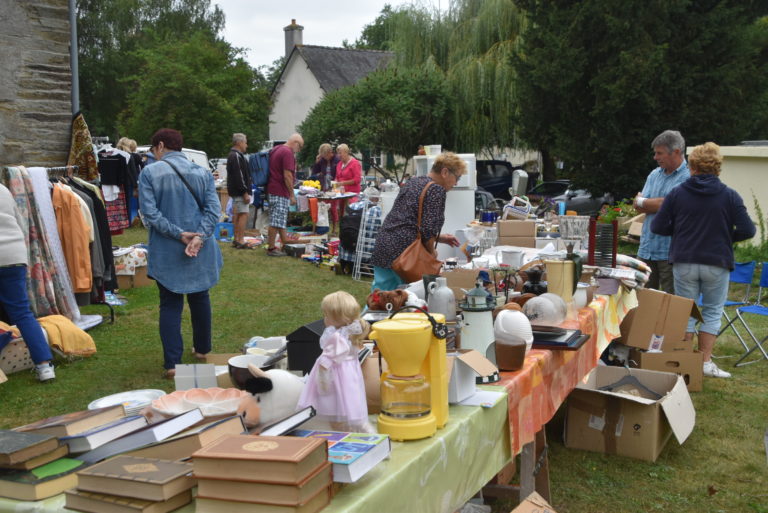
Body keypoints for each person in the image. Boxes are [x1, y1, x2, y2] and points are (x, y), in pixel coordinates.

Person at [651, 142, 755, 379]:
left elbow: (658, 226)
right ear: (718, 167)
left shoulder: (677, 193)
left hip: (685, 260)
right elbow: (748, 230)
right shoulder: (730, 195)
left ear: (692, 167)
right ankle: (705, 362)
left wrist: (681, 234)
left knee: (686, 311)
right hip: (717, 261)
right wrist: (726, 237)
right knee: (712, 311)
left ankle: (683, 360)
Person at [138, 128, 223, 378]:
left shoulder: (149, 172)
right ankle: (203, 349)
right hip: (200, 248)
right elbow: (213, 211)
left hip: (168, 249)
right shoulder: (203, 172)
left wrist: (180, 234)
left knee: (170, 303)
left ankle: (173, 364)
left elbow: (150, 214)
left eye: (153, 150)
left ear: (160, 146)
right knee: (200, 297)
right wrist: (199, 237)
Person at [370, 152, 465, 291]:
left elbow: (407, 220)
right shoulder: (436, 190)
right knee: (405, 297)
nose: (456, 183)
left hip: (384, 245)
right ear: (445, 172)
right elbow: (427, 230)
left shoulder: (414, 182)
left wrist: (440, 238)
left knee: (380, 297)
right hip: (404, 255)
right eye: (457, 177)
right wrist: (432, 253)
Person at [0, 184, 56, 382]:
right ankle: (44, 366)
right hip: (14, 254)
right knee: (22, 313)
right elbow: (18, 220)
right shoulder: (4, 190)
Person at [296, 291, 372, 432]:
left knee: (335, 408)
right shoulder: (350, 333)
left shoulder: (336, 338)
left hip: (336, 377)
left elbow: (327, 360)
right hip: (349, 375)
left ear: (337, 318)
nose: (324, 318)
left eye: (326, 315)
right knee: (349, 404)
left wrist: (323, 382)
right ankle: (355, 428)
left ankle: (342, 431)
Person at [633, 130, 690, 293]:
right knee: (640, 297)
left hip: (671, 252)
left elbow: (668, 204)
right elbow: (637, 205)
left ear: (676, 152)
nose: (655, 157)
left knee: (671, 300)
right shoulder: (654, 175)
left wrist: (646, 202)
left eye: (659, 153)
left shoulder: (688, 177)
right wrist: (651, 203)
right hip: (646, 249)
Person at [265, 133, 304, 257]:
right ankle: (271, 248)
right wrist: (292, 194)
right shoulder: (287, 153)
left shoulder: (277, 148)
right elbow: (287, 175)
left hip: (272, 188)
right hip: (280, 190)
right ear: (296, 143)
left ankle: (284, 242)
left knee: (279, 219)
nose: (299, 150)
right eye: (300, 147)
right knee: (276, 221)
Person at [226, 133, 252, 249]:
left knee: (237, 214)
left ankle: (236, 239)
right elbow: (239, 175)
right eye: (245, 142)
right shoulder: (236, 156)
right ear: (239, 142)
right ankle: (240, 239)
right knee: (243, 214)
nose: (246, 145)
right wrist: (244, 192)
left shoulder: (234, 155)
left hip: (236, 191)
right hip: (239, 192)